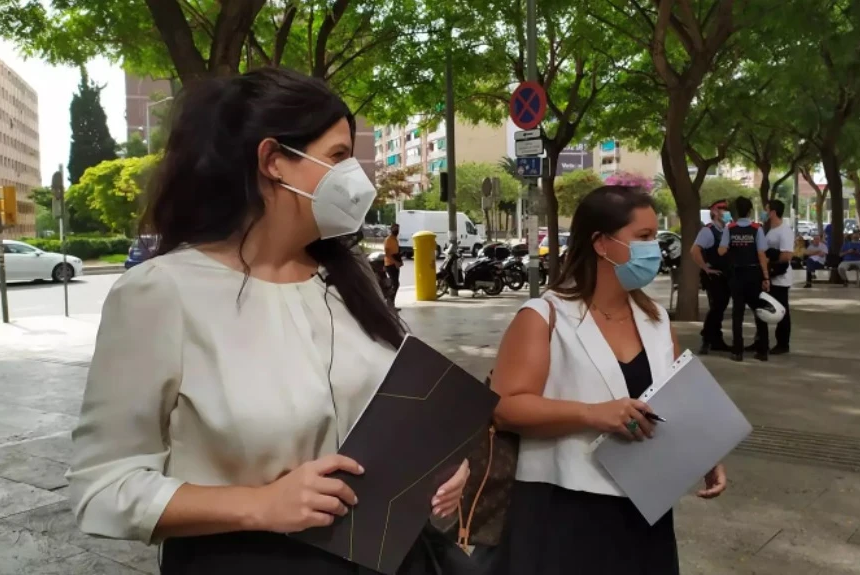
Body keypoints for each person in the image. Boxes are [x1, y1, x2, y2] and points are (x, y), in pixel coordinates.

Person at [65, 68, 468, 574]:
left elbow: (400, 415)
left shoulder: (350, 278)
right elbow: (103, 486)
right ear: (274, 161)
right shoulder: (160, 293)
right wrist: (260, 505)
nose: (356, 176)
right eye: (339, 156)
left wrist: (438, 473)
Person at [489, 185, 727, 575]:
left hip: (643, 509)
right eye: (644, 237)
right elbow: (505, 406)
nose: (656, 250)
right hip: (563, 507)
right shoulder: (544, 316)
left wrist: (703, 451)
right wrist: (592, 414)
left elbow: (671, 401)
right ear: (602, 243)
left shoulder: (656, 321)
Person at [718, 196, 771, 362]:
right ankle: (762, 350)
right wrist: (766, 276)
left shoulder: (730, 228)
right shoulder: (757, 228)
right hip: (754, 274)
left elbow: (721, 251)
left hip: (737, 275)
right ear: (749, 211)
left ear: (736, 212)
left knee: (737, 313)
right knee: (759, 311)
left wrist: (733, 251)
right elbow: (762, 253)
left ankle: (737, 351)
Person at [690, 199, 732, 354]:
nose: (725, 211)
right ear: (713, 211)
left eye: (726, 208)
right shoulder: (708, 231)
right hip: (713, 276)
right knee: (717, 306)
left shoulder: (725, 230)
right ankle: (707, 338)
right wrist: (705, 268)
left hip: (724, 275)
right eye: (721, 208)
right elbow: (694, 250)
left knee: (720, 307)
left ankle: (715, 338)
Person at [761, 200, 793, 354]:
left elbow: (787, 255)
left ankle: (783, 343)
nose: (765, 212)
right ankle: (761, 341)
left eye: (766, 210)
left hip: (781, 278)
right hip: (769, 277)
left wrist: (770, 259)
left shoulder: (784, 230)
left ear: (773, 212)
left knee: (781, 311)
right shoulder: (770, 230)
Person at [383, 223, 403, 309]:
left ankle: (391, 303)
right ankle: (389, 303)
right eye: (395, 228)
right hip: (390, 264)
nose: (396, 230)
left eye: (397, 229)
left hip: (395, 264)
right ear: (391, 229)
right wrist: (395, 262)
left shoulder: (395, 240)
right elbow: (387, 253)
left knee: (395, 284)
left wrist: (399, 261)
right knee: (395, 283)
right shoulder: (388, 240)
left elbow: (396, 252)